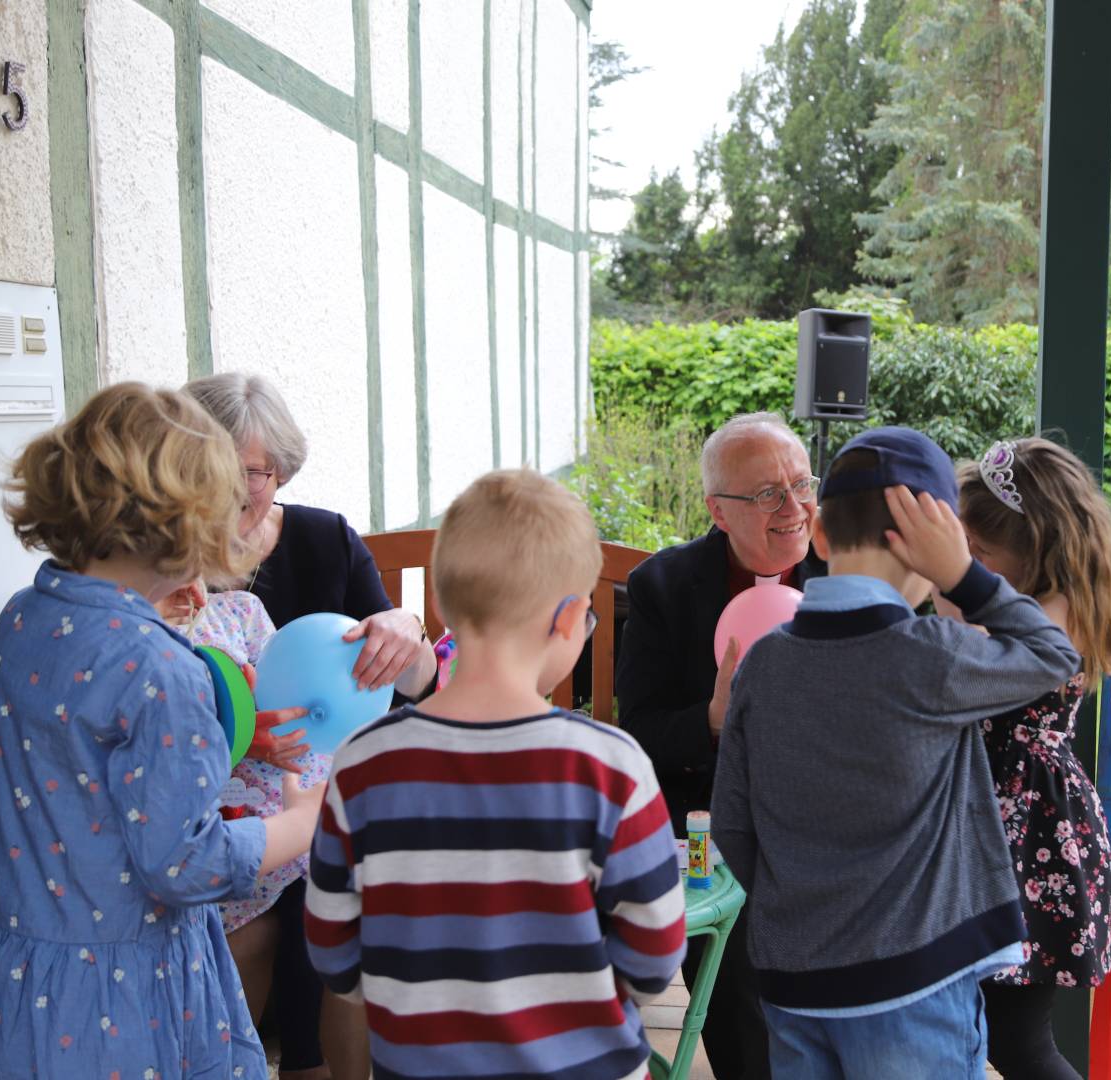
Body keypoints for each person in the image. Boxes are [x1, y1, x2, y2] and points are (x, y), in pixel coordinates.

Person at [0, 383, 324, 1080]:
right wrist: (302, 822)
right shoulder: (163, 671)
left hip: (27, 977)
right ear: (190, 526)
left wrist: (155, 596)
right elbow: (186, 864)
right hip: (129, 1000)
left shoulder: (23, 621)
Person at [710, 427, 1082, 1080]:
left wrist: (800, 923)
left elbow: (734, 828)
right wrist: (964, 577)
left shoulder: (762, 664)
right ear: (934, 545)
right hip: (913, 987)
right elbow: (1054, 654)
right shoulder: (931, 655)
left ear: (819, 534)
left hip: (792, 988)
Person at [304, 469, 686, 1080]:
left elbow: (333, 951)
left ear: (444, 605)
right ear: (569, 619)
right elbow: (655, 956)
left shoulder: (362, 763)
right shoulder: (610, 765)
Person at [184, 372, 435, 1080]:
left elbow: (414, 690)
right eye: (214, 472)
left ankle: (312, 1067)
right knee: (286, 910)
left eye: (254, 473)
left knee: (334, 900)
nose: (235, 492)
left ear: (282, 470)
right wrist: (244, 743)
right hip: (232, 805)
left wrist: (404, 631)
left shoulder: (324, 541)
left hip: (332, 791)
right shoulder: (171, 568)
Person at [616, 411, 823, 1080]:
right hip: (716, 823)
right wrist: (710, 720)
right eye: (767, 493)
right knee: (741, 991)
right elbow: (640, 728)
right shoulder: (665, 588)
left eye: (801, 484)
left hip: (835, 820)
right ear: (718, 511)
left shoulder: (852, 567)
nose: (793, 507)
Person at [949, 437, 1111, 1079]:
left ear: (1037, 549)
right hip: (1012, 828)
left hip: (1027, 840)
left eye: (981, 557)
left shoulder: (1054, 618)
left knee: (1019, 1042)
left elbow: (978, 672)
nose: (970, 570)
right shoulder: (1044, 601)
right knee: (992, 1033)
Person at [156, 582, 329, 1029]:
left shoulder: (239, 609)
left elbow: (283, 682)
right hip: (220, 823)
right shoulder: (144, 634)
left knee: (339, 899)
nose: (190, 583)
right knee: (246, 937)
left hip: (287, 793)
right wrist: (236, 736)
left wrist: (267, 716)